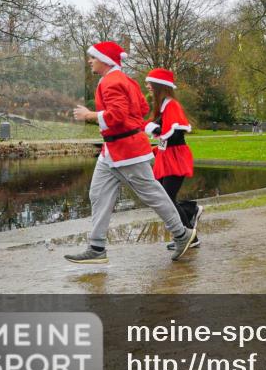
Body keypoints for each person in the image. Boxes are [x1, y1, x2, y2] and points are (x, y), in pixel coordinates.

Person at [65, 42, 197, 263]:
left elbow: (116, 114)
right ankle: (97, 247)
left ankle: (182, 235)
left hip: (127, 151)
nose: (90, 61)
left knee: (153, 194)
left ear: (106, 60)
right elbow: (142, 109)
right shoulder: (126, 80)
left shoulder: (112, 81)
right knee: (98, 194)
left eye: (93, 57)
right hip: (112, 151)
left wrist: (90, 115)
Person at [143, 68, 205, 251]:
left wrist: (154, 129)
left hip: (175, 158)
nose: (147, 86)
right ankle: (189, 211)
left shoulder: (172, 106)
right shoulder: (163, 106)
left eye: (150, 83)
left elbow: (175, 135)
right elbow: (164, 135)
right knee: (164, 197)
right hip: (167, 157)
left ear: (160, 85)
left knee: (166, 199)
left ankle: (190, 237)